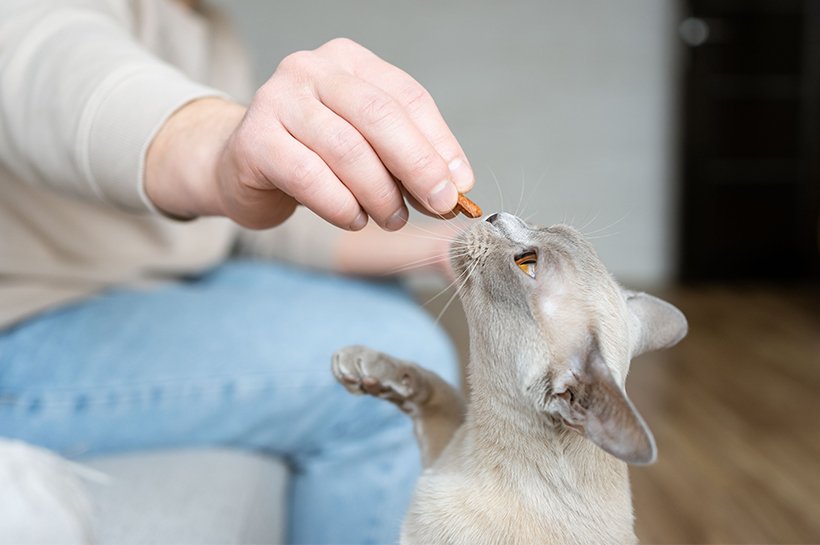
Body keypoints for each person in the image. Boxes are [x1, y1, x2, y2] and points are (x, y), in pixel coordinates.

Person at [0, 0, 475, 543]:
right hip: (24, 334)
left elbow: (247, 220)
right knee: (392, 366)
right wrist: (223, 146)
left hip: (129, 285)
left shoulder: (199, 25)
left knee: (383, 298)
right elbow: (50, 70)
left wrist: (439, 246)